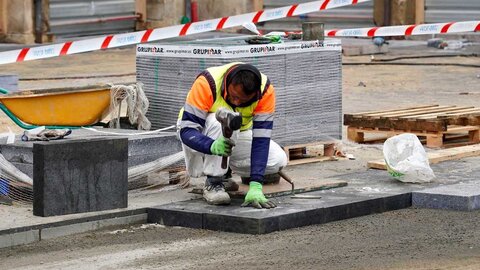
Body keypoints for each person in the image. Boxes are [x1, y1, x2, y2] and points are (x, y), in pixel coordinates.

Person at [177, 62, 287, 209]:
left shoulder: (265, 91)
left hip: (235, 135)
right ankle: (214, 182)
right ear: (228, 83)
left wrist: (256, 184)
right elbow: (187, 130)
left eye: (243, 100)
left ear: (255, 94)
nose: (236, 101)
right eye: (234, 96)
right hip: (197, 134)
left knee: (277, 160)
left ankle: (225, 173)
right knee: (222, 123)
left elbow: (261, 139)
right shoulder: (207, 83)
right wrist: (212, 146)